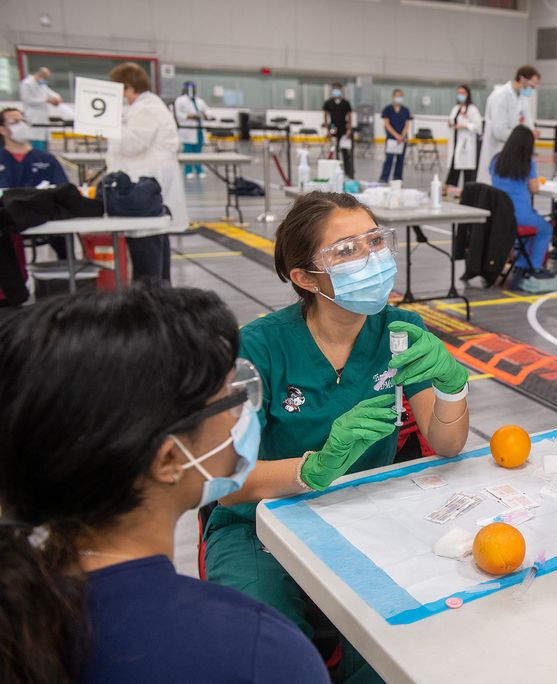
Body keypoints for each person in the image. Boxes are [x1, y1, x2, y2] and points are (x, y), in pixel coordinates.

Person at [0, 286, 329, 684]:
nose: (244, 412)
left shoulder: (25, 602)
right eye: (231, 397)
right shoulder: (254, 651)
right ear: (169, 459)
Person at [203, 192, 470, 679]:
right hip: (260, 522)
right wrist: (313, 468)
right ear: (305, 278)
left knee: (395, 645)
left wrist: (454, 388)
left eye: (374, 241)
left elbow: (448, 444)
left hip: (368, 512)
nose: (371, 258)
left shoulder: (400, 330)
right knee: (266, 648)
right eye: (346, 251)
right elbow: (225, 482)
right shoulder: (257, 348)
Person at [106, 62, 187, 283]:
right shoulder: (146, 106)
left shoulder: (147, 109)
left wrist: (107, 123)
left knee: (147, 264)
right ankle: (157, 302)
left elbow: (132, 143)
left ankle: (150, 307)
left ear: (128, 87)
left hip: (143, 197)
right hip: (146, 196)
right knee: (154, 259)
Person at [0, 107, 69, 260]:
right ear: (3, 130)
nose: (22, 125)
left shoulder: (46, 159)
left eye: (23, 121)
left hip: (44, 217)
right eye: (15, 122)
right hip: (8, 220)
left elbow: (62, 189)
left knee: (64, 236)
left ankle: (66, 272)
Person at [488, 125, 552, 279]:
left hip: (500, 214)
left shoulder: (496, 160)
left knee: (532, 224)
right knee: (545, 229)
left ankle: (521, 262)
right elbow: (534, 188)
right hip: (520, 214)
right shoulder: (528, 164)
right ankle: (532, 266)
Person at [478, 65, 540, 185]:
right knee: (495, 192)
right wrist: (525, 136)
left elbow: (527, 120)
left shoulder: (522, 98)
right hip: (497, 151)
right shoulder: (500, 96)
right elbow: (499, 132)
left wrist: (532, 131)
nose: (532, 89)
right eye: (532, 86)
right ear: (522, 79)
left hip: (513, 155)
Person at [444, 85, 482, 195]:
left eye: (462, 93)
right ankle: (449, 188)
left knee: (467, 169)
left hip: (466, 143)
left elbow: (478, 125)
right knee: (454, 165)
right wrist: (451, 123)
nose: (460, 95)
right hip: (456, 141)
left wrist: (465, 125)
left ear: (468, 94)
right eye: (458, 93)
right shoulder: (456, 108)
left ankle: (468, 192)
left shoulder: (472, 109)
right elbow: (452, 120)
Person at [174, 81, 212, 179]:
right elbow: (177, 114)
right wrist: (188, 116)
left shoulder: (199, 100)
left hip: (198, 129)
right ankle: (188, 171)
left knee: (198, 151)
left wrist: (205, 114)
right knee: (188, 151)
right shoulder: (180, 100)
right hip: (187, 130)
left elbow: (208, 111)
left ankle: (199, 170)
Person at [18, 67, 61, 152]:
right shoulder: (27, 84)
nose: (44, 81)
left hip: (43, 118)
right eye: (44, 78)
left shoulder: (41, 84)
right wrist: (46, 100)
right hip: (33, 118)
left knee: (44, 145)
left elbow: (50, 93)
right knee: (36, 144)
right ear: (40, 75)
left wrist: (57, 98)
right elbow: (27, 100)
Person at [323, 82, 355, 178]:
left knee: (345, 151)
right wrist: (328, 130)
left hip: (344, 128)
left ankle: (348, 172)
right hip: (333, 127)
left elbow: (349, 116)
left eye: (338, 89)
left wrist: (349, 129)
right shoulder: (328, 103)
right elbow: (325, 116)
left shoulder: (346, 103)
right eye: (335, 89)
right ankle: (333, 171)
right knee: (333, 150)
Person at [379, 89, 411, 183]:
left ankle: (397, 178)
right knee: (389, 159)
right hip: (391, 139)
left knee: (400, 160)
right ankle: (384, 178)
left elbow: (407, 124)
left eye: (400, 96)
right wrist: (396, 136)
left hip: (402, 139)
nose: (398, 98)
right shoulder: (387, 109)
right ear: (393, 97)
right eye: (397, 96)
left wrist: (402, 136)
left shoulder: (405, 110)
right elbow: (387, 124)